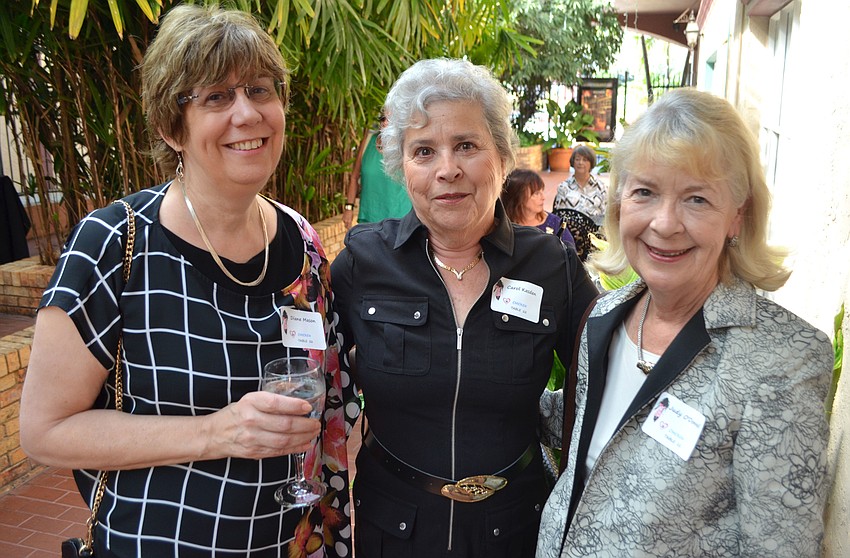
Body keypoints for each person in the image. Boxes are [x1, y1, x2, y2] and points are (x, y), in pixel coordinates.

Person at [19, 5, 357, 556]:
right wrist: (216, 432)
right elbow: (44, 431)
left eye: (260, 89)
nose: (247, 114)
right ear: (169, 128)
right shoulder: (115, 243)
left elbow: (334, 405)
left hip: (292, 543)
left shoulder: (303, 245)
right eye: (216, 97)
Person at [537, 88, 832, 557]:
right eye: (645, 192)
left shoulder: (781, 361)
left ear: (738, 215)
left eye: (696, 199)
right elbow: (596, 431)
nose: (665, 223)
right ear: (619, 204)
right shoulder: (607, 316)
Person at [331, 58, 598, 557]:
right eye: (424, 150)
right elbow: (313, 382)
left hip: (513, 528)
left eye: (467, 146)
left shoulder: (550, 264)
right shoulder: (361, 263)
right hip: (395, 530)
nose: (446, 169)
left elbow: (609, 368)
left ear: (500, 155)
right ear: (402, 166)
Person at [342, 114, 412, 228]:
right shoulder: (368, 139)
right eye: (382, 118)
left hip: (400, 223)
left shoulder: (406, 144)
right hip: (369, 220)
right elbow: (355, 177)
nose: (385, 122)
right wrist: (348, 208)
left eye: (390, 119)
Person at [502, 168, 575, 246]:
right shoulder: (502, 227)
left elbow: (570, 254)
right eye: (536, 193)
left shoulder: (555, 224)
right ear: (518, 197)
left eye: (542, 191)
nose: (543, 197)